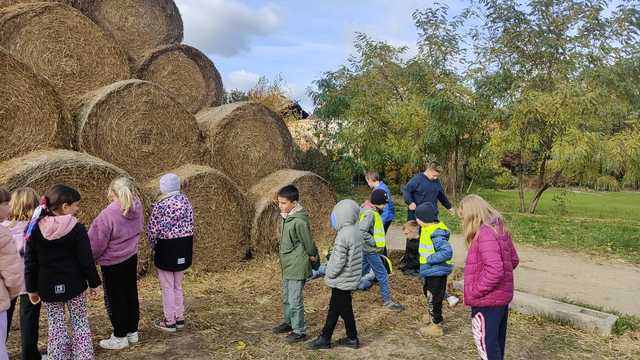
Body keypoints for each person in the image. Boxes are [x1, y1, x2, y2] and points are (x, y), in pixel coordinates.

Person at [24, 184, 102, 360]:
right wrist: (94, 283)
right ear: (65, 206)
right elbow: (86, 260)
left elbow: (30, 263)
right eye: (76, 205)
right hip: (75, 285)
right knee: (80, 321)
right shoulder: (77, 228)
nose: (77, 208)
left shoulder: (34, 228)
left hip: (48, 287)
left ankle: (58, 357)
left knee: (56, 325)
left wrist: (31, 289)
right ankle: (83, 356)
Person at [460, 195, 519, 360]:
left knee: (486, 346)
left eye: (463, 216)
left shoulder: (485, 234)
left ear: (472, 215)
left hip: (486, 300)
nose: (463, 221)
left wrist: (475, 290)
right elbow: (513, 260)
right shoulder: (500, 230)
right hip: (499, 301)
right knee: (495, 343)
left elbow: (495, 270)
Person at [89, 178, 144, 349]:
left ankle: (119, 336)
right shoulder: (138, 206)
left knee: (114, 298)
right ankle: (132, 332)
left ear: (112, 193)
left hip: (112, 262)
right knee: (130, 293)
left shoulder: (108, 214)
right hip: (131, 256)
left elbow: (96, 243)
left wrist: (90, 259)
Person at [305, 199, 363, 350]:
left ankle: (326, 338)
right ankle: (351, 337)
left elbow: (337, 262)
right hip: (351, 276)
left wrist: (328, 273)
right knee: (343, 307)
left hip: (342, 279)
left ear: (342, 215)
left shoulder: (343, 235)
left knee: (336, 308)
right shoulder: (356, 231)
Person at [2, 187, 47, 359]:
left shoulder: (4, 228)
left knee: (4, 318)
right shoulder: (38, 228)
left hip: (8, 281)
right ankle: (30, 355)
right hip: (31, 282)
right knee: (29, 319)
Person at [147, 173, 194, 333]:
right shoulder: (186, 202)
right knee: (177, 285)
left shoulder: (160, 205)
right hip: (184, 247)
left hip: (166, 248)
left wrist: (152, 246)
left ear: (163, 187)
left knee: (167, 286)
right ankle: (180, 318)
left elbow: (153, 229)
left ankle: (169, 321)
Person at [272, 185, 319, 343]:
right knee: (286, 296)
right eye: (279, 202)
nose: (280, 206)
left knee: (294, 299)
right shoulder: (287, 216)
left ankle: (299, 331)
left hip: (297, 264)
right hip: (288, 264)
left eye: (283, 203)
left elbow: (308, 242)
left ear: (294, 202)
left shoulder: (299, 221)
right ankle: (289, 322)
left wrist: (313, 256)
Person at [359, 189, 403, 311]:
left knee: (360, 270)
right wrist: (373, 241)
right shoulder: (370, 214)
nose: (385, 206)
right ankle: (387, 302)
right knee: (382, 274)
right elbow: (361, 231)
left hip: (365, 248)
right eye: (384, 203)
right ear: (378, 202)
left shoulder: (368, 210)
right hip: (370, 249)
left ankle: (348, 287)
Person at [415, 203, 453, 337]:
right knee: (429, 294)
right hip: (430, 271)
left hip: (436, 271)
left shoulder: (436, 232)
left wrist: (430, 259)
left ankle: (436, 326)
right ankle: (432, 317)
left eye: (417, 217)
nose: (416, 220)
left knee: (434, 298)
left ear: (423, 219)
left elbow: (447, 252)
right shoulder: (428, 228)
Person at [0, 188, 23, 360]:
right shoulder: (2, 234)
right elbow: (12, 272)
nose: (10, 207)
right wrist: (12, 293)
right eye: (6, 204)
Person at [365, 172, 395, 254]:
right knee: (380, 238)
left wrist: (379, 223)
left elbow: (386, 209)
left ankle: (382, 259)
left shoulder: (381, 189)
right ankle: (382, 258)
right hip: (384, 217)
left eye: (367, 181)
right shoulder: (380, 187)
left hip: (385, 218)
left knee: (379, 239)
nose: (368, 184)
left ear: (370, 180)